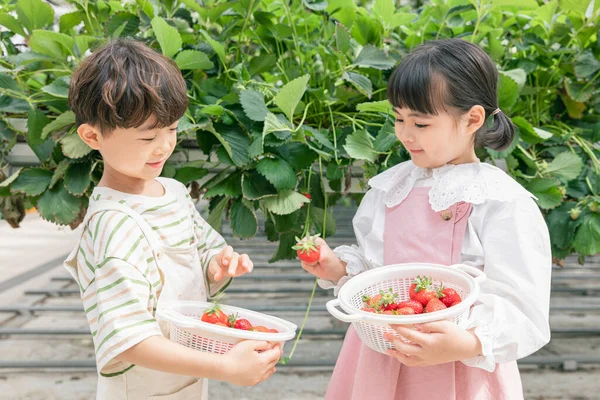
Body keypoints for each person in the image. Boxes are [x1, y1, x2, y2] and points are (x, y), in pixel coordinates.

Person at [301, 39, 551, 399]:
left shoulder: (499, 201)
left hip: (460, 367)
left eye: (420, 123)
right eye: (399, 119)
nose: (405, 134)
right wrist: (338, 269)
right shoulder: (391, 188)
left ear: (473, 119)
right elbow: (376, 273)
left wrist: (466, 342)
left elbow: (523, 306)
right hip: (381, 353)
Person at [63, 39, 281, 400]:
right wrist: (226, 367)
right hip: (139, 389)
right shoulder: (113, 225)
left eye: (172, 130)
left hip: (186, 378)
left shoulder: (173, 192)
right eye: (148, 136)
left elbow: (206, 251)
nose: (164, 146)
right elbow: (128, 339)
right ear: (91, 136)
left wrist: (219, 265)